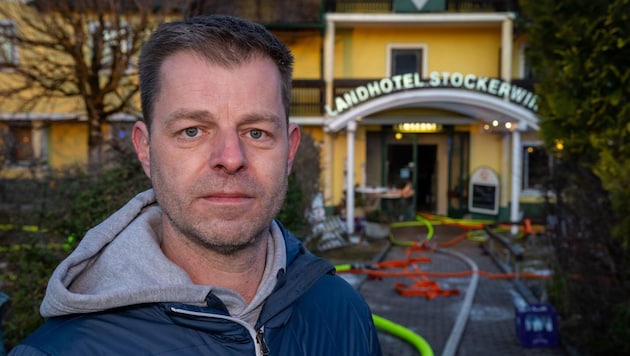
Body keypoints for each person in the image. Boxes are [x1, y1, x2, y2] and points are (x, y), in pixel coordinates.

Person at [10, 15, 382, 355]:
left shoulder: (343, 312)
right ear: (146, 149)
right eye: (192, 131)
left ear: (289, 150)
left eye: (257, 132)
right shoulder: (60, 351)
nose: (231, 157)